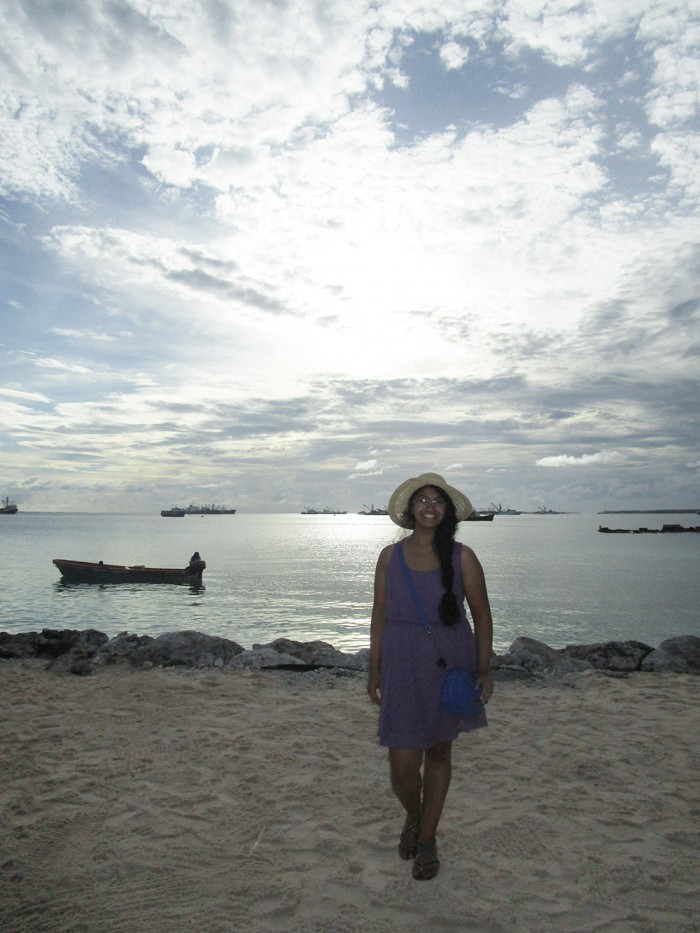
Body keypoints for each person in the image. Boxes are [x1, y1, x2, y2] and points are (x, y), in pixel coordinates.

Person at [367, 472, 494, 881]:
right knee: (402, 766)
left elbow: (482, 613)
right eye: (421, 500)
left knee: (439, 753)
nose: (429, 506)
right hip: (402, 662)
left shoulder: (463, 557)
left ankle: (426, 839)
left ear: (447, 512)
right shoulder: (390, 556)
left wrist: (484, 669)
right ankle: (416, 817)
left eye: (437, 501)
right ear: (409, 510)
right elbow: (380, 613)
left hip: (448, 662)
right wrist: (374, 666)